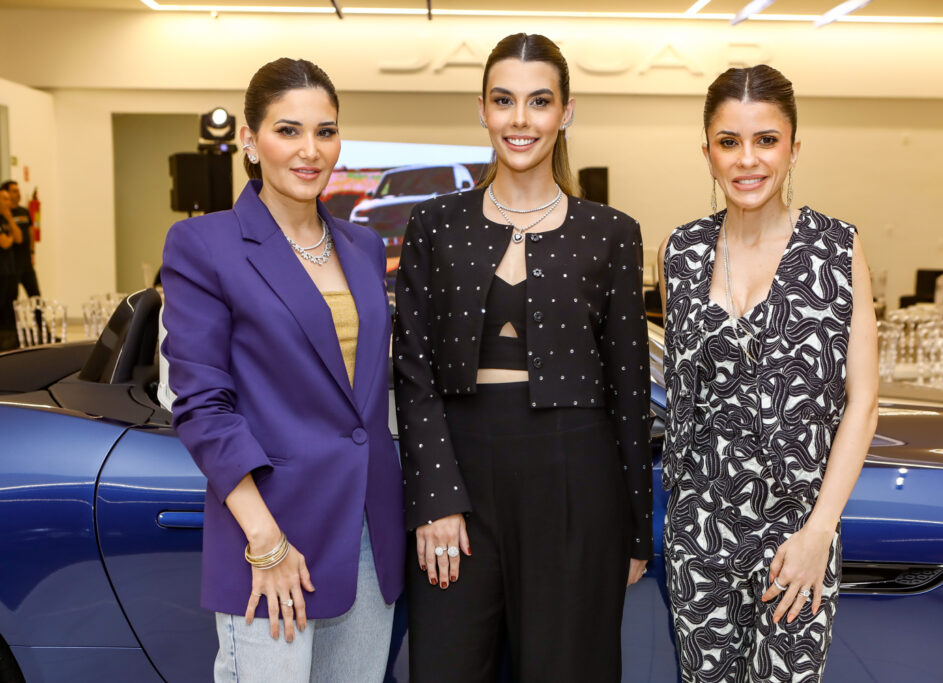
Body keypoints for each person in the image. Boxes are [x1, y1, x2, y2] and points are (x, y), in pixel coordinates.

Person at [393, 32, 652, 683]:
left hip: (576, 483)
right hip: (460, 476)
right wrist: (434, 498)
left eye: (539, 101)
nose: (520, 119)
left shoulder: (611, 233)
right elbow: (413, 373)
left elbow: (628, 390)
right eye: (504, 100)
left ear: (566, 112)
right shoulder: (434, 224)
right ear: (482, 109)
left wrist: (636, 531)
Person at [161, 58, 404, 682]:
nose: (310, 150)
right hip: (270, 531)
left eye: (325, 131)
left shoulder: (363, 246)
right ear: (250, 139)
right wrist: (265, 541)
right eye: (288, 130)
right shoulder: (204, 244)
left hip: (368, 529)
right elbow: (202, 406)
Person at [658, 65, 878, 682]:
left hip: (796, 535)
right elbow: (684, 400)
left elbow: (862, 403)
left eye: (766, 140)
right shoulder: (679, 252)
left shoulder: (837, 249)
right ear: (707, 153)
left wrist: (819, 533)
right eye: (729, 141)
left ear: (794, 149)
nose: (747, 159)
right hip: (699, 533)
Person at [0, 181, 40, 301]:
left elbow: (28, 234)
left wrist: (32, 252)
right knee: (11, 297)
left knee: (35, 295)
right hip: (11, 263)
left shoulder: (23, 211)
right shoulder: (3, 216)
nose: (18, 193)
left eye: (18, 190)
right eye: (14, 191)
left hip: (26, 260)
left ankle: (38, 314)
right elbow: (6, 242)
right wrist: (13, 234)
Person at [0, 188, 23, 351]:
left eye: (9, 199)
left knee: (10, 306)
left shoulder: (6, 219)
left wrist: (9, 219)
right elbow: (5, 243)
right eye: (5, 199)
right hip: (1, 272)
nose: (9, 202)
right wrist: (10, 238)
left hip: (10, 270)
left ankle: (11, 341)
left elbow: (18, 238)